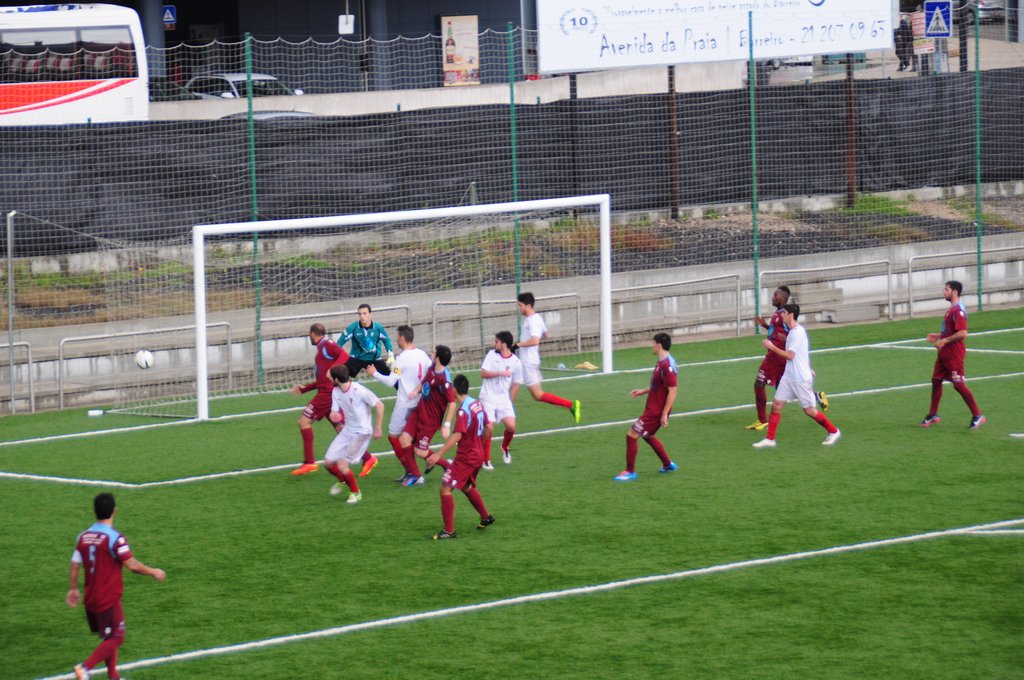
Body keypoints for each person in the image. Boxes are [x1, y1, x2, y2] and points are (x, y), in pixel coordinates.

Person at [67, 493, 165, 680]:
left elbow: (74, 564)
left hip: (90, 598)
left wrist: (73, 589)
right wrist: (153, 571)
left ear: (94, 511)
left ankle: (113, 676)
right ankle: (84, 668)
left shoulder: (83, 537)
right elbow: (132, 565)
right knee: (118, 637)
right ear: (114, 511)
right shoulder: (115, 539)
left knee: (109, 636)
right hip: (108, 597)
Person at [753, 304, 841, 448]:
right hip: (789, 377)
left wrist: (771, 347)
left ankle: (833, 431)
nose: (782, 315)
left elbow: (790, 355)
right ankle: (770, 439)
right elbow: (801, 353)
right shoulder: (792, 331)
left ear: (791, 315)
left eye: (784, 313)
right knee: (776, 405)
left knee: (809, 411)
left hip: (800, 379)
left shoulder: (797, 333)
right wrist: (808, 367)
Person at [747, 286, 827, 431]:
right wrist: (764, 325)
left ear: (783, 298)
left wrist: (805, 365)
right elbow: (778, 332)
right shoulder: (779, 313)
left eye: (775, 295)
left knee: (759, 384)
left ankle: (762, 420)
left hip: (776, 357)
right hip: (780, 357)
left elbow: (793, 334)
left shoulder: (786, 315)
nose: (772, 297)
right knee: (783, 388)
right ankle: (815, 396)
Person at [426, 373, 495, 539]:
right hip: (477, 454)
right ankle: (485, 517)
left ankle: (449, 530)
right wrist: (480, 444)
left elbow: (457, 435)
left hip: (467, 457)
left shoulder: (463, 411)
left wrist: (438, 454)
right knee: (465, 485)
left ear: (454, 390)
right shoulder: (476, 404)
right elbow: (489, 427)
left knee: (445, 488)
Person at [366, 325, 433, 482]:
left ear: (402, 338)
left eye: (397, 337)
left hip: (405, 404)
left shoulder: (402, 358)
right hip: (419, 402)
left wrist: (374, 373)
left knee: (393, 436)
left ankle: (412, 472)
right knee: (410, 439)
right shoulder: (422, 354)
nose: (396, 340)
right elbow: (429, 374)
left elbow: (391, 381)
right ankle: (437, 463)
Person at [613, 332, 679, 482]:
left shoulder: (667, 365)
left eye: (653, 343)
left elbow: (673, 390)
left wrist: (664, 413)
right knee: (647, 435)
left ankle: (630, 472)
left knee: (631, 435)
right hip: (653, 407)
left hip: (656, 410)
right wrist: (643, 391)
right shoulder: (662, 362)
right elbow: (660, 386)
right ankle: (668, 464)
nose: (652, 346)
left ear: (658, 345)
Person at [921, 280, 985, 430]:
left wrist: (945, 340)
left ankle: (977, 415)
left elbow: (962, 333)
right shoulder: (951, 309)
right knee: (936, 380)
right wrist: (939, 335)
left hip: (954, 353)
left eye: (946, 290)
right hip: (944, 352)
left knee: (958, 384)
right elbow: (951, 329)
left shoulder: (958, 311)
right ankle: (933, 414)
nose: (944, 292)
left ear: (955, 292)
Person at [289, 323, 351, 476]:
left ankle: (310, 462)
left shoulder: (326, 344)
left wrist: (332, 368)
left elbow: (344, 355)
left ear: (312, 333)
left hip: (326, 395)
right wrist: (304, 389)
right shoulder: (321, 350)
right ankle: (368, 458)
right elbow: (321, 380)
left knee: (303, 422)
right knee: (340, 428)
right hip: (327, 393)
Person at [322, 364, 385, 505]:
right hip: (347, 430)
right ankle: (343, 481)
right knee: (328, 463)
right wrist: (334, 416)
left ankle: (356, 492)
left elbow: (380, 405)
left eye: (331, 377)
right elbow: (334, 412)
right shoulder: (336, 391)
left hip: (362, 432)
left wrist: (378, 428)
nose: (329, 379)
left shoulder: (358, 390)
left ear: (336, 379)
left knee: (342, 465)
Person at [516, 292, 581, 423]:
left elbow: (535, 341)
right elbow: (546, 334)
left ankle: (571, 404)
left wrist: (519, 344)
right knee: (529, 390)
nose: (519, 308)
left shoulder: (532, 321)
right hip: (530, 360)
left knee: (536, 394)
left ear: (528, 305)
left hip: (528, 362)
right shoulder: (536, 318)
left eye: (520, 305)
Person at [398, 344, 457, 487]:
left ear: (438, 358)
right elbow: (424, 381)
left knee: (420, 451)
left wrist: (447, 425)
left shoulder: (445, 379)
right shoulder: (432, 368)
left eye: (434, 353)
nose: (431, 354)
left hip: (430, 420)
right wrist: (416, 391)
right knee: (404, 439)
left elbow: (452, 403)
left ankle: (447, 465)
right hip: (419, 411)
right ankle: (416, 476)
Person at [478, 330, 524, 469]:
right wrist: (499, 373)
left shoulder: (516, 362)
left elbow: (517, 383)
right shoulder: (491, 355)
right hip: (488, 397)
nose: (494, 344)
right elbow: (483, 373)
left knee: (511, 427)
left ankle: (505, 447)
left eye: (496, 342)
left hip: (503, 399)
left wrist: (510, 400)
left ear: (503, 344)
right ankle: (485, 459)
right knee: (489, 427)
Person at [338, 303, 395, 379]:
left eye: (364, 313)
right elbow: (340, 342)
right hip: (357, 358)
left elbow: (386, 340)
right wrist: (336, 356)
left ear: (370, 314)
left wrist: (390, 354)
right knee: (339, 375)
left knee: (392, 377)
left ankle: (400, 385)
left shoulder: (378, 327)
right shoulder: (353, 328)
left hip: (374, 359)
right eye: (360, 314)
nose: (362, 316)